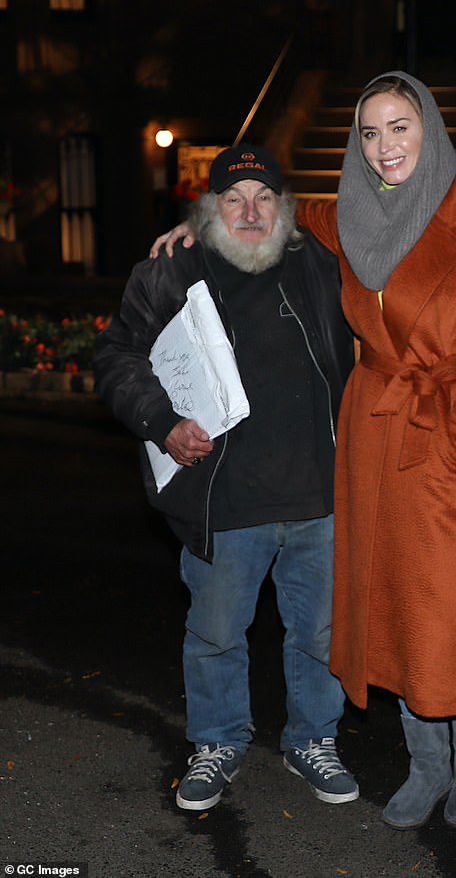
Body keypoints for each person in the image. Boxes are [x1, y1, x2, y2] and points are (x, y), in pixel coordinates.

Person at [151, 71, 456, 831]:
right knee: (393, 609)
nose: (384, 145)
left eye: (399, 127)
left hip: (447, 439)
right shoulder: (347, 216)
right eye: (369, 132)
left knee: (454, 613)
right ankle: (425, 766)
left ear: (430, 132)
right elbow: (264, 211)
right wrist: (200, 223)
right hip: (372, 442)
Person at [94, 144, 358, 813]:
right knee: (215, 632)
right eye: (233, 198)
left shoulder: (320, 264)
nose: (249, 211)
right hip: (223, 496)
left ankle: (313, 739)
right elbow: (117, 352)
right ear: (208, 210)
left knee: (320, 634)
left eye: (264, 198)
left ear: (285, 210)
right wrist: (161, 421)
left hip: (317, 496)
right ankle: (216, 742)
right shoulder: (174, 267)